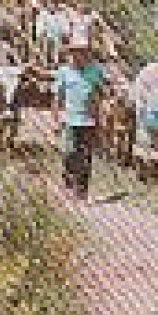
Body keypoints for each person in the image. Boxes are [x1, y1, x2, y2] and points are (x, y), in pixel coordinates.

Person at [52, 35, 107, 200]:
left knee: (86, 155)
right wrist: (56, 119)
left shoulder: (95, 71)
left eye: (82, 52)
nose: (78, 56)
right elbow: (57, 97)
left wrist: (100, 118)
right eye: (75, 52)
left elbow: (99, 95)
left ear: (87, 54)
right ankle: (68, 186)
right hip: (69, 119)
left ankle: (81, 191)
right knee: (69, 153)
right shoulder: (64, 72)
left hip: (89, 121)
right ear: (70, 54)